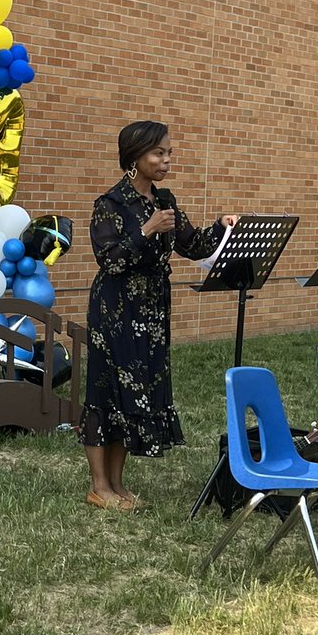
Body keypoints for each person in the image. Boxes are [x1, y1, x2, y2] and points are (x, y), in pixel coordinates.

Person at [80, 121, 239, 510]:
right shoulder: (110, 205)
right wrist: (146, 230)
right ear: (135, 157)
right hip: (115, 308)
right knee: (108, 391)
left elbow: (194, 245)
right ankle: (99, 487)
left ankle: (118, 485)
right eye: (158, 154)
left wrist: (220, 228)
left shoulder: (164, 200)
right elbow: (110, 260)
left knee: (136, 390)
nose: (166, 161)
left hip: (151, 308)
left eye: (168, 153)